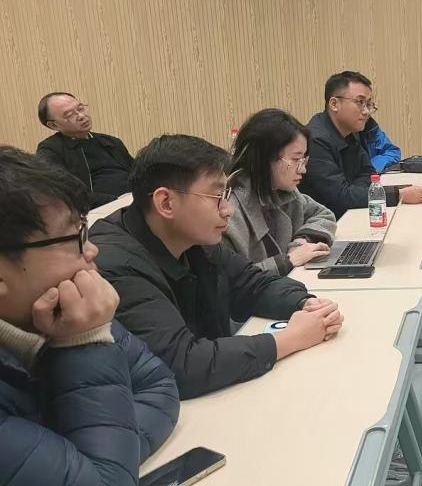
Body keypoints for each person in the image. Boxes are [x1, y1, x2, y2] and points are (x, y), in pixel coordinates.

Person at [0, 147, 179, 486]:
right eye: (73, 238)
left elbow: (158, 384)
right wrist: (82, 343)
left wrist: (89, 455)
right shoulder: (75, 326)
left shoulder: (58, 311)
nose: (92, 250)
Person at [90, 134, 343, 399]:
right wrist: (290, 339)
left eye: (227, 195)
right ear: (166, 203)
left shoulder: (194, 238)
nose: (228, 210)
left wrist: (307, 304)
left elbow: (253, 283)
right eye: (217, 196)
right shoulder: (115, 264)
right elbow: (181, 366)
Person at [301, 71, 422, 216]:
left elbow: (369, 173)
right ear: (334, 104)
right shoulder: (315, 140)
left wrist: (352, 191)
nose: (367, 111)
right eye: (360, 102)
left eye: (368, 104)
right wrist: (398, 195)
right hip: (323, 221)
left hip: (349, 213)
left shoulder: (351, 131)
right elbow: (340, 197)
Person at [224, 109, 336, 274]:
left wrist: (301, 241)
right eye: (296, 159)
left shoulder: (286, 192)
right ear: (265, 158)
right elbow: (233, 280)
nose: (303, 169)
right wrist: (287, 261)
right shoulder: (228, 210)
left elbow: (323, 215)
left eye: (304, 159)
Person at [36, 92, 134, 207]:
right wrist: (116, 201)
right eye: (69, 115)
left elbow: (137, 173)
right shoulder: (50, 150)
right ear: (53, 125)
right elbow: (65, 192)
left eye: (80, 108)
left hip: (133, 199)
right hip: (101, 208)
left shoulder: (111, 142)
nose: (81, 116)